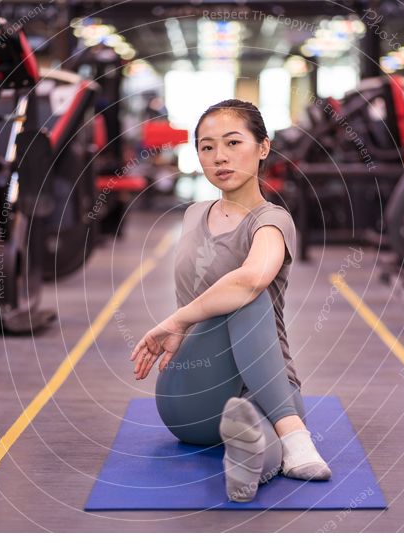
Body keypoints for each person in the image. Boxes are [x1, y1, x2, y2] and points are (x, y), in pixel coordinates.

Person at [129, 99, 331, 503]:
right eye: (206, 147)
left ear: (263, 148)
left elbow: (253, 276)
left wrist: (176, 320)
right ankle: (294, 436)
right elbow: (249, 285)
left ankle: (251, 465)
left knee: (254, 426)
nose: (219, 156)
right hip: (191, 390)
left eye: (233, 142)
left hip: (266, 387)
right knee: (246, 297)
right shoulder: (193, 214)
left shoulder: (271, 221)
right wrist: (184, 324)